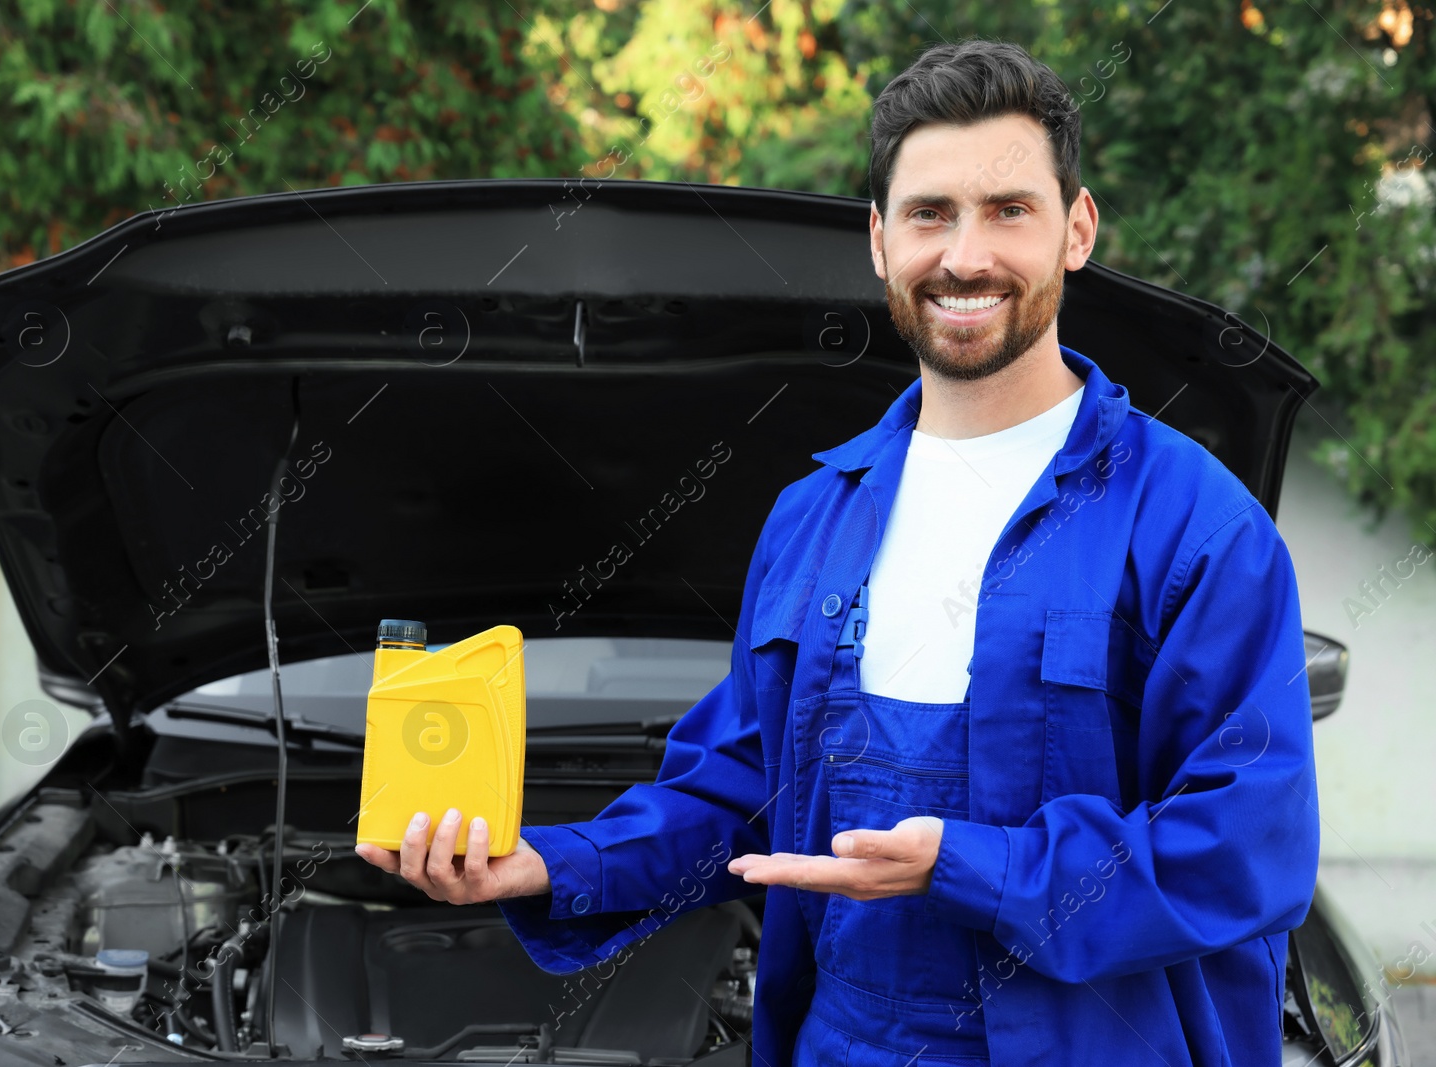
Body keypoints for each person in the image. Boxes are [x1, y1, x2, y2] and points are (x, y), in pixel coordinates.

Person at [356, 37, 1320, 1066]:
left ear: (1075, 230)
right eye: (929, 213)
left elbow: (1243, 849)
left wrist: (971, 864)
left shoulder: (1193, 525)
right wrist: (545, 862)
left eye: (1008, 211)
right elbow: (739, 795)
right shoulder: (815, 519)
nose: (964, 255)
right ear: (877, 241)